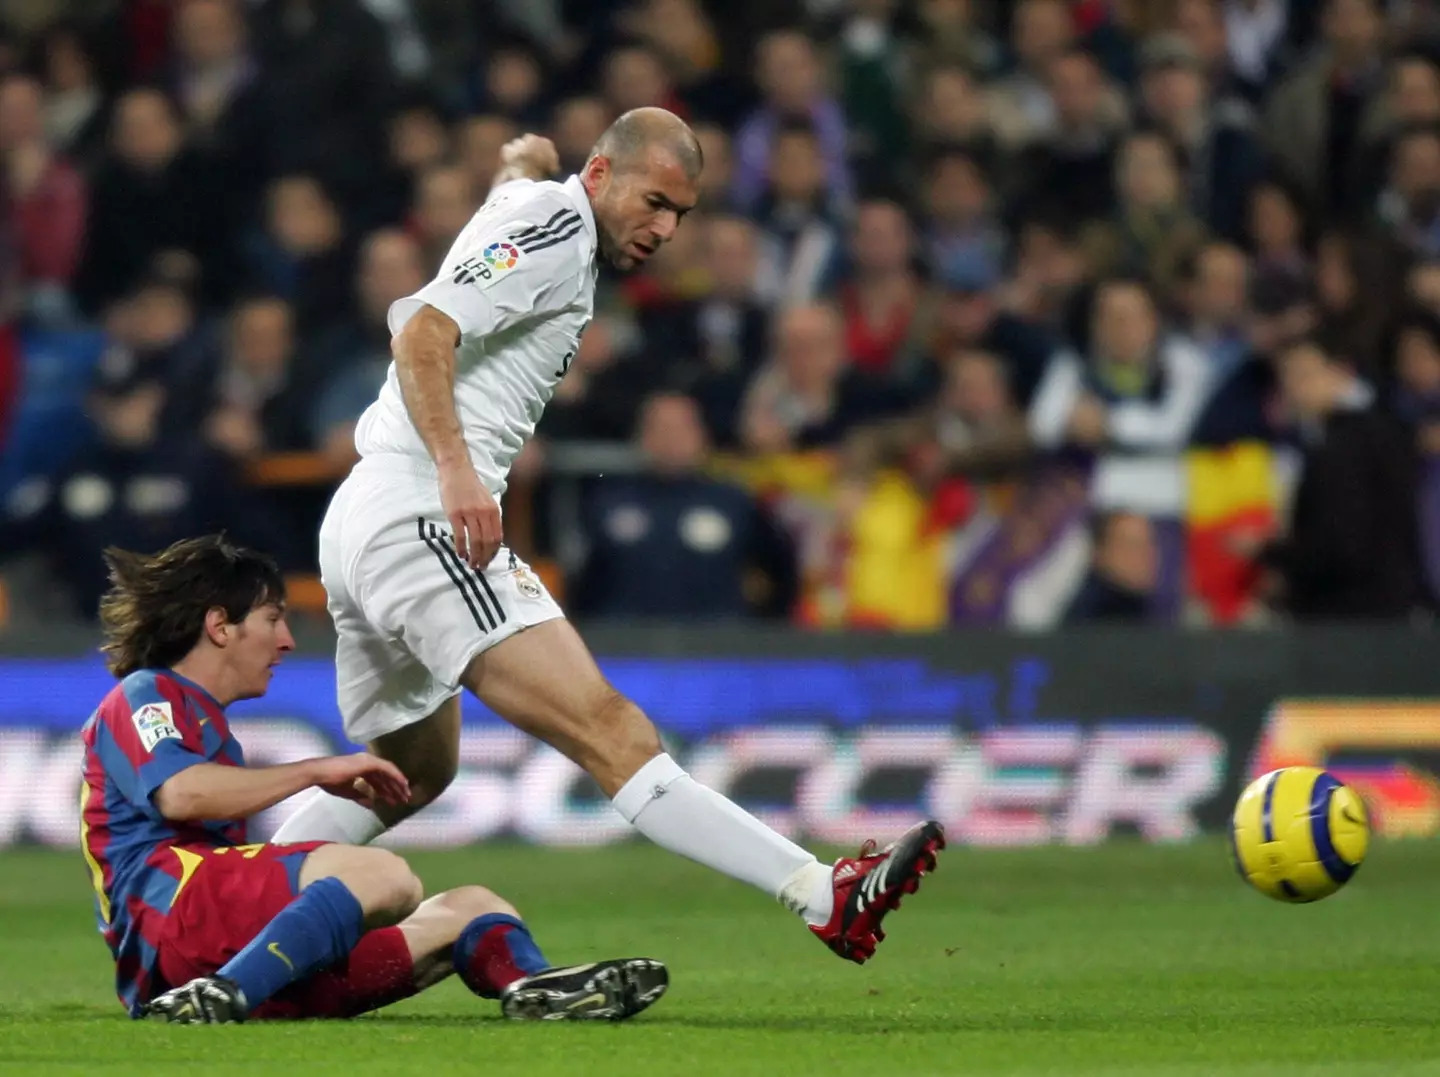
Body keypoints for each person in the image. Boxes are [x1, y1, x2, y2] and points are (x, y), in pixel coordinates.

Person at [272, 108, 945, 964]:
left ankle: (220, 904)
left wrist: (520, 162)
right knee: (613, 730)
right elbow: (422, 331)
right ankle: (824, 893)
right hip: (421, 512)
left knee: (412, 766)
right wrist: (455, 470)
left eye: (681, 215)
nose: (664, 228)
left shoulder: (533, 209)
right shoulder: (557, 228)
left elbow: (507, 206)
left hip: (365, 518)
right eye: (654, 201)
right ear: (599, 177)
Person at [82, 535, 669, 1024]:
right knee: (382, 875)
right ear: (219, 626)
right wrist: (317, 769)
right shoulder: (147, 694)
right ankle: (218, 997)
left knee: (471, 906)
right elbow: (183, 792)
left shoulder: (209, 724)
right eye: (272, 618)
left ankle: (533, 988)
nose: (285, 640)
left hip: (233, 952)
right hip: (169, 927)